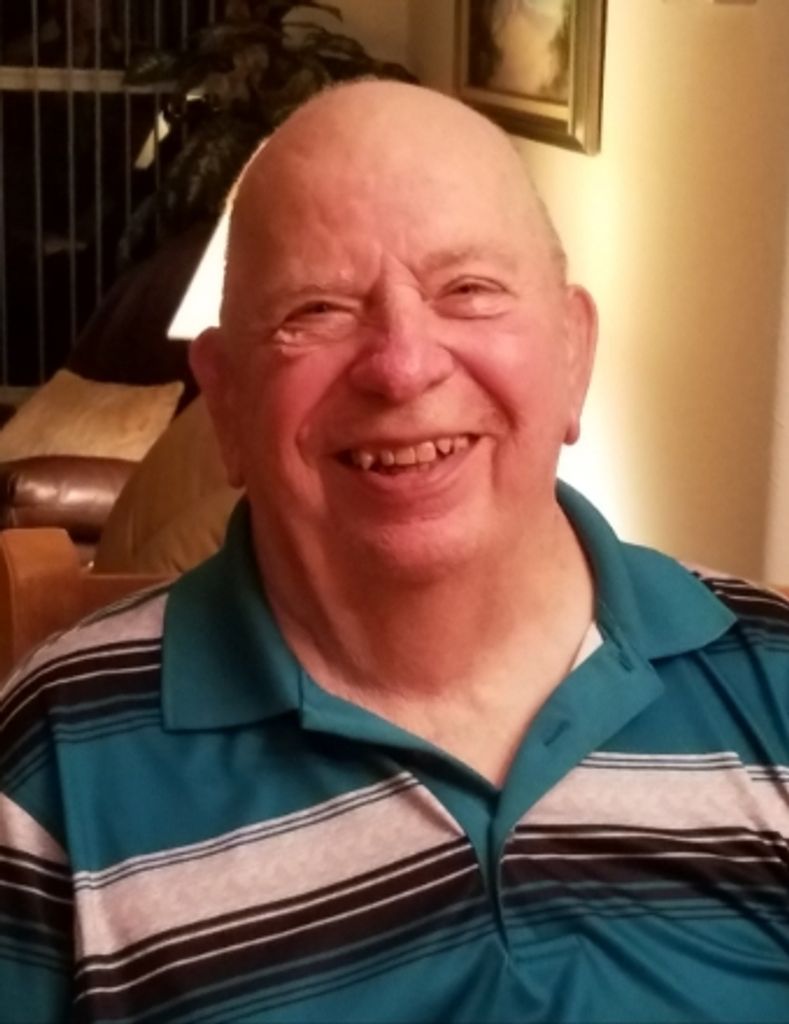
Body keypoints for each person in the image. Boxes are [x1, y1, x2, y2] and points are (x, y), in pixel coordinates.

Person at [1, 81, 788, 1024]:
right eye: (317, 310)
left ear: (572, 352)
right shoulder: (55, 755)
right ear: (228, 401)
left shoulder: (770, 678)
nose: (403, 366)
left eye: (469, 291)